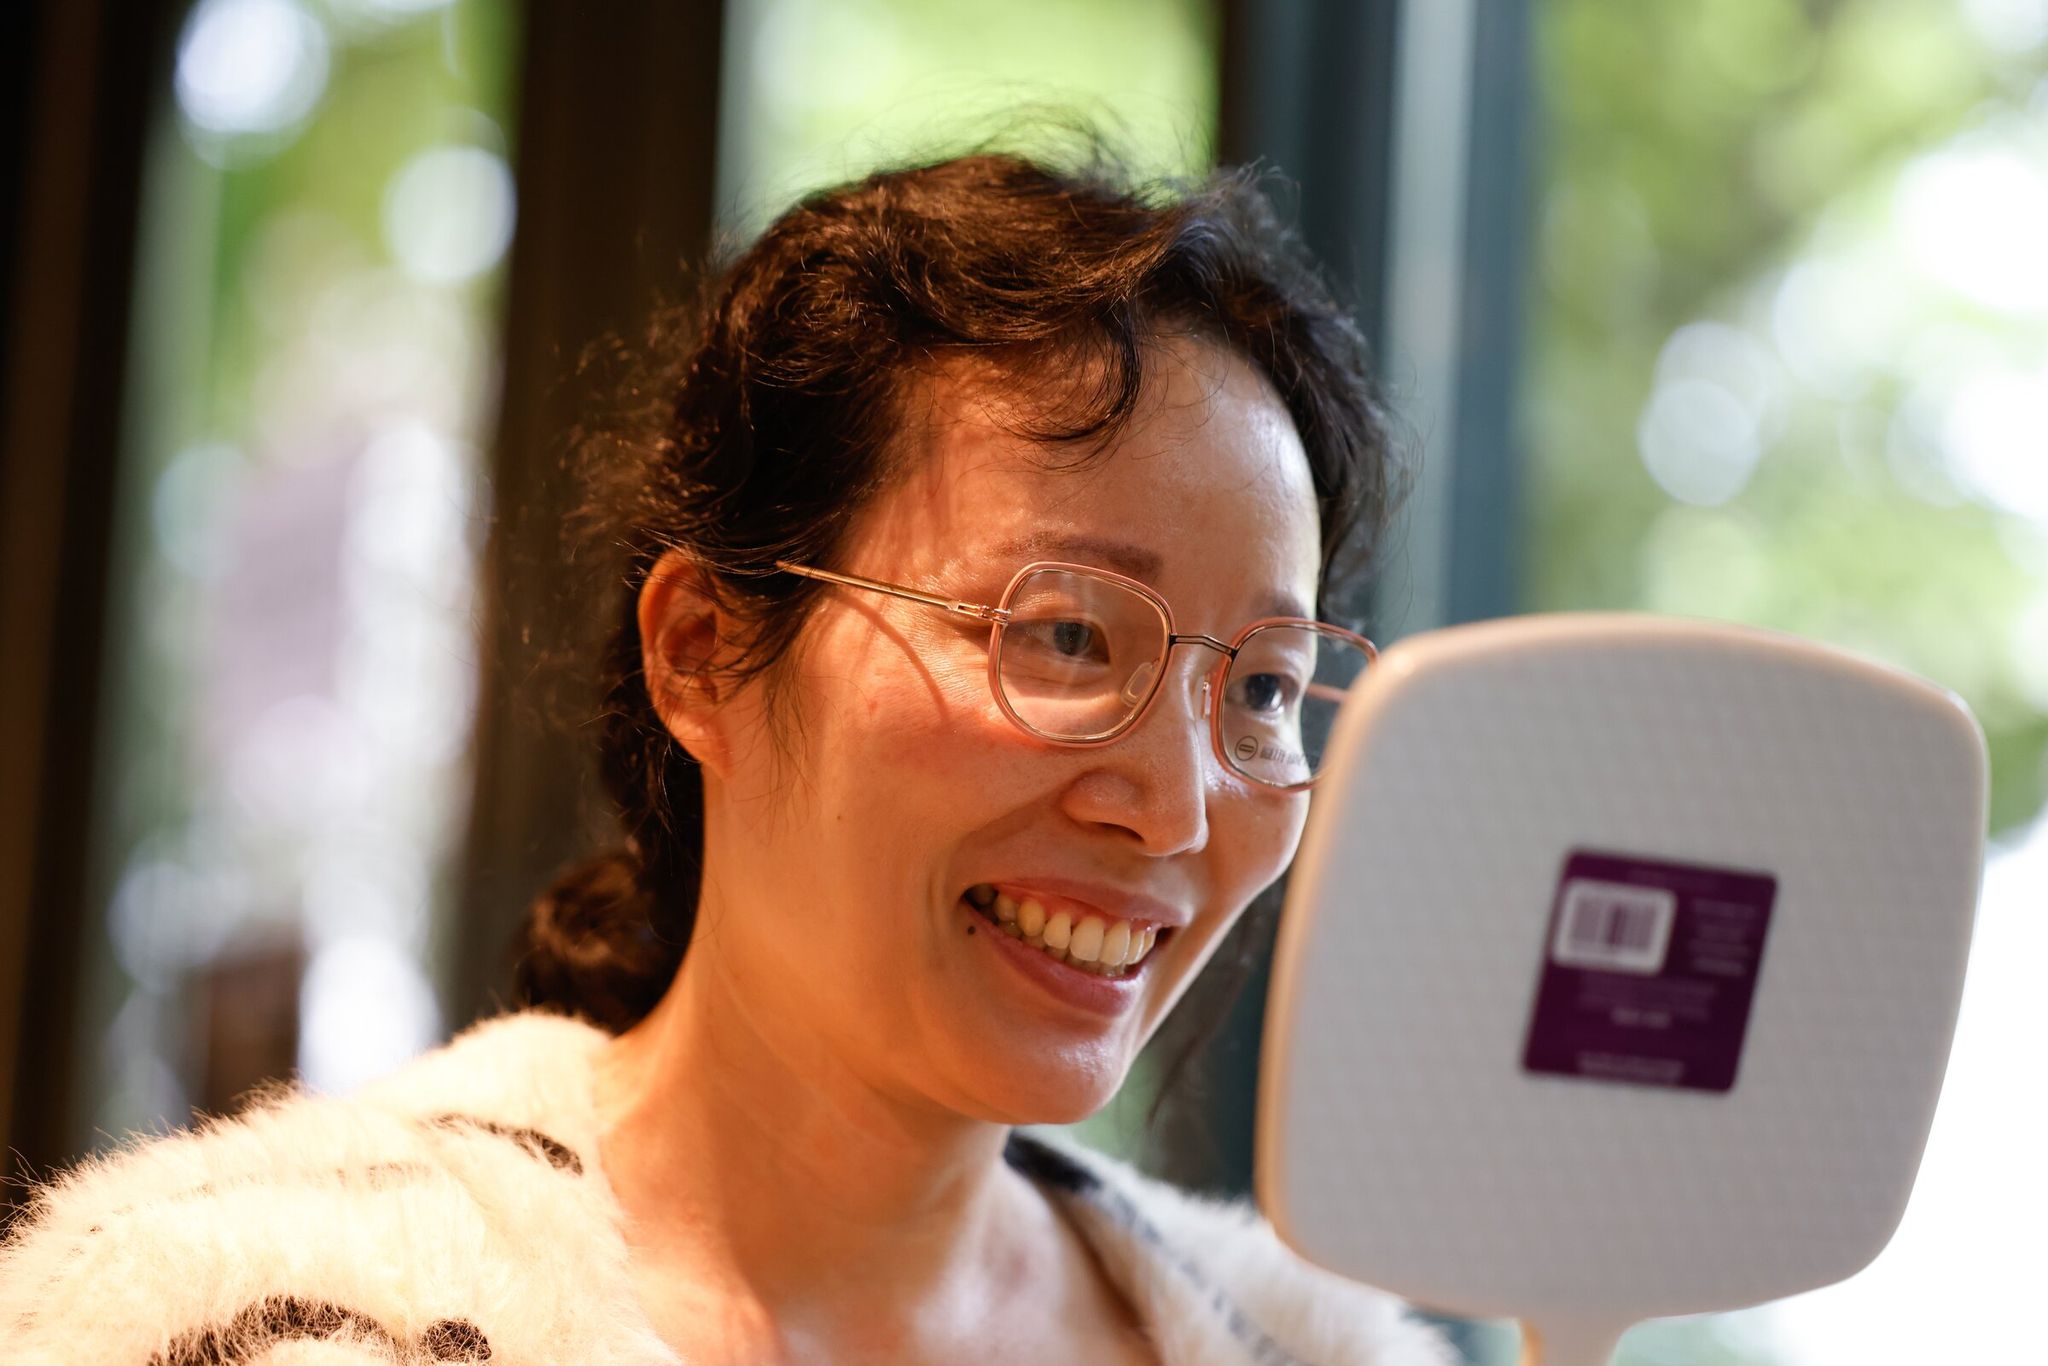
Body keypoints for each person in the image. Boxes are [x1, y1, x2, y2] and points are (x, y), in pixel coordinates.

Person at [0, 150, 1456, 1364]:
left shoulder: (1318, 1349)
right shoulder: (240, 1312)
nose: (1176, 802)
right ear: (702, 649)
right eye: (1066, 636)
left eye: (1263, 685)